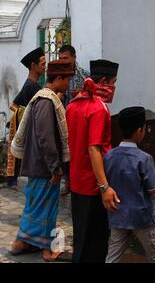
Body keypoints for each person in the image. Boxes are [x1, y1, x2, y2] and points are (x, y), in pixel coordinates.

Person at [9, 59, 75, 261]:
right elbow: (46, 139)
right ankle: (47, 249)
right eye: (67, 80)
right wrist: (55, 168)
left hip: (37, 165)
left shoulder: (43, 99)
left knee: (35, 204)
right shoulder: (47, 101)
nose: (68, 84)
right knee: (46, 206)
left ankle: (22, 241)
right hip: (44, 167)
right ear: (59, 78)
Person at [66, 59, 120, 263]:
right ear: (105, 81)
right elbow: (94, 148)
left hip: (77, 182)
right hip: (93, 184)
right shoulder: (98, 108)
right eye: (114, 82)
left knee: (81, 237)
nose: (114, 87)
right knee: (96, 243)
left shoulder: (73, 104)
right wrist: (104, 186)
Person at [104, 107, 155, 263]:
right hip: (142, 217)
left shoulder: (109, 155)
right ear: (140, 130)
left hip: (118, 214)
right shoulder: (144, 158)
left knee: (113, 256)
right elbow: (152, 189)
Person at [7, 47, 46, 188]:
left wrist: (23, 114)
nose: (45, 67)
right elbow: (36, 115)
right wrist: (25, 117)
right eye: (42, 64)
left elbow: (14, 105)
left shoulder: (29, 85)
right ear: (33, 66)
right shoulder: (32, 87)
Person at [58, 44, 90, 196]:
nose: (62, 61)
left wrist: (82, 93)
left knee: (79, 153)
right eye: (60, 58)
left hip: (80, 121)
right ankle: (67, 181)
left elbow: (93, 97)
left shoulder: (84, 75)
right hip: (63, 120)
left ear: (74, 58)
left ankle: (79, 180)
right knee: (65, 152)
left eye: (65, 58)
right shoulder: (57, 75)